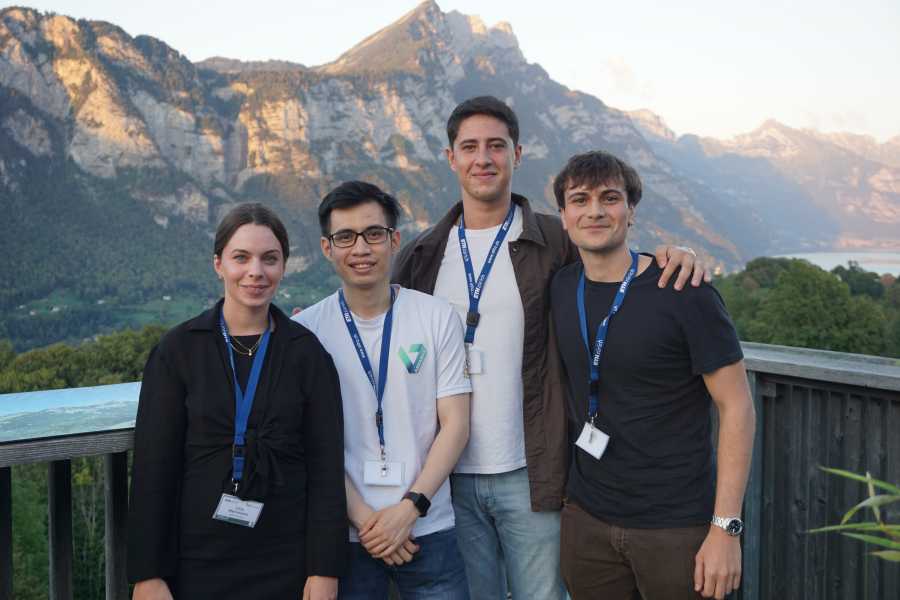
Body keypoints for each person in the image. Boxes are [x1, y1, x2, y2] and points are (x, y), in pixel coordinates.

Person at [392, 95, 710, 599]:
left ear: (517, 155)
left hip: (533, 473)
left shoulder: (554, 238)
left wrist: (676, 254)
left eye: (496, 145)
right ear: (450, 158)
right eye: (469, 147)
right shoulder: (421, 255)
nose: (484, 158)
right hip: (447, 478)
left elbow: (614, 262)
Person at [550, 151, 755, 600]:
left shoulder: (683, 290)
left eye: (610, 197)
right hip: (587, 522)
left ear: (631, 210)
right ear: (563, 217)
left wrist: (726, 529)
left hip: (678, 527)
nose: (595, 210)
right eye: (579, 199)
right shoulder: (562, 287)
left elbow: (737, 405)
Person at [127, 203, 348, 600]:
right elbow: (152, 469)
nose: (255, 272)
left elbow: (326, 468)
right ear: (218, 264)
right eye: (241, 258)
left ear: (284, 266)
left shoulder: (307, 354)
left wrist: (324, 568)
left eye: (270, 259)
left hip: (288, 563)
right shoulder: (178, 351)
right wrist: (148, 574)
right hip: (196, 562)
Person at [294, 181, 472, 599]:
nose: (361, 248)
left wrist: (409, 509)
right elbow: (308, 443)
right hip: (347, 536)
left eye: (374, 234)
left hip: (430, 527)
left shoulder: (436, 317)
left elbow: (456, 423)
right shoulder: (307, 333)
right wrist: (367, 521)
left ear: (394, 240)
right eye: (345, 237)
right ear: (327, 248)